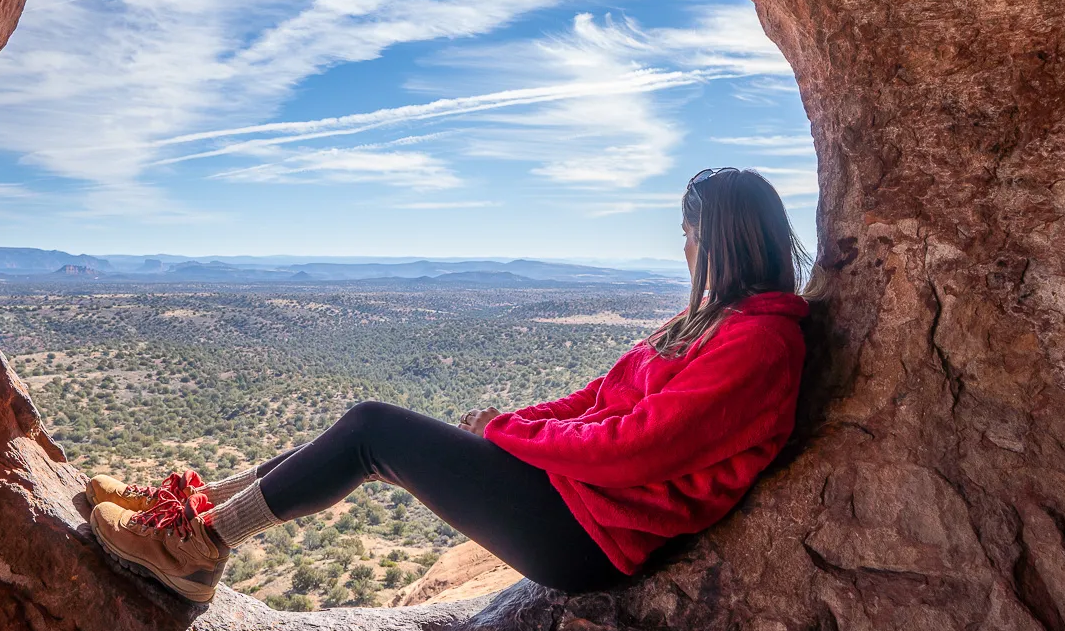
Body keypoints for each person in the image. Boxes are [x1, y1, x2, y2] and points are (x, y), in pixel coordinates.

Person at [85, 167, 812, 603]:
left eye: (687, 234)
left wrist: (507, 435)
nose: (681, 247)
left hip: (591, 537)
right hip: (576, 499)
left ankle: (197, 546)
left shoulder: (760, 344)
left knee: (373, 431)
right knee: (360, 433)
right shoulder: (709, 321)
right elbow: (599, 396)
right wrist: (509, 424)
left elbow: (640, 448)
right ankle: (196, 510)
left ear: (717, 240)